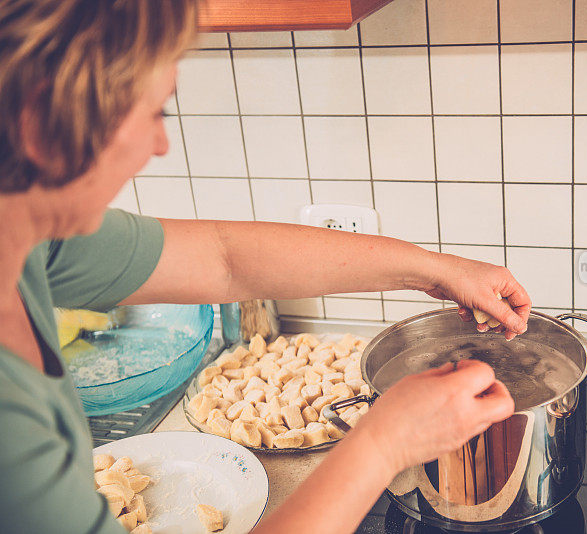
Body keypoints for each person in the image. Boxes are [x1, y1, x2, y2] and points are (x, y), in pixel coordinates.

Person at [0, 1, 531, 533]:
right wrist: (385, 440)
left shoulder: (32, 240)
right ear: (40, 125)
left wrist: (436, 270)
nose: (160, 145)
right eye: (153, 111)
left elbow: (224, 259)